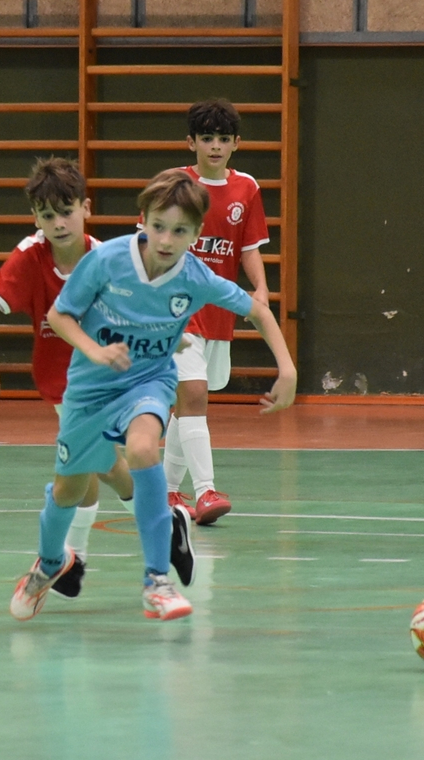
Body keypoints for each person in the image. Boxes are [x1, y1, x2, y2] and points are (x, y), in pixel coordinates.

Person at [9, 168, 296, 622]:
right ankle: (48, 563)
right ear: (141, 220)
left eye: (180, 231)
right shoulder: (107, 260)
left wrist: (288, 368)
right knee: (68, 489)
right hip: (89, 388)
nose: (166, 239)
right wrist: (95, 351)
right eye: (158, 226)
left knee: (143, 449)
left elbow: (257, 311)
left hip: (148, 381)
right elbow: (60, 316)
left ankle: (156, 581)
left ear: (197, 235)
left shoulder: (196, 277)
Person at [0, 157, 131, 599]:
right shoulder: (30, 256)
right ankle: (152, 523)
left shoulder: (106, 260)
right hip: (60, 384)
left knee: (92, 466)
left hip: (104, 380)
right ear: (35, 218)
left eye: (66, 212)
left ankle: (71, 558)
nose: (58, 223)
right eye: (47, 215)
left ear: (86, 208)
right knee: (99, 466)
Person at [160, 98, 272, 526]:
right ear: (191, 142)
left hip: (219, 310)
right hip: (176, 311)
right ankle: (206, 491)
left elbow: (248, 248)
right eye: (206, 138)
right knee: (193, 396)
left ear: (236, 143)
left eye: (223, 139)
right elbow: (149, 243)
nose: (215, 146)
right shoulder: (174, 185)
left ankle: (167, 490)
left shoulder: (247, 188)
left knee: (186, 404)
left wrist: (260, 289)